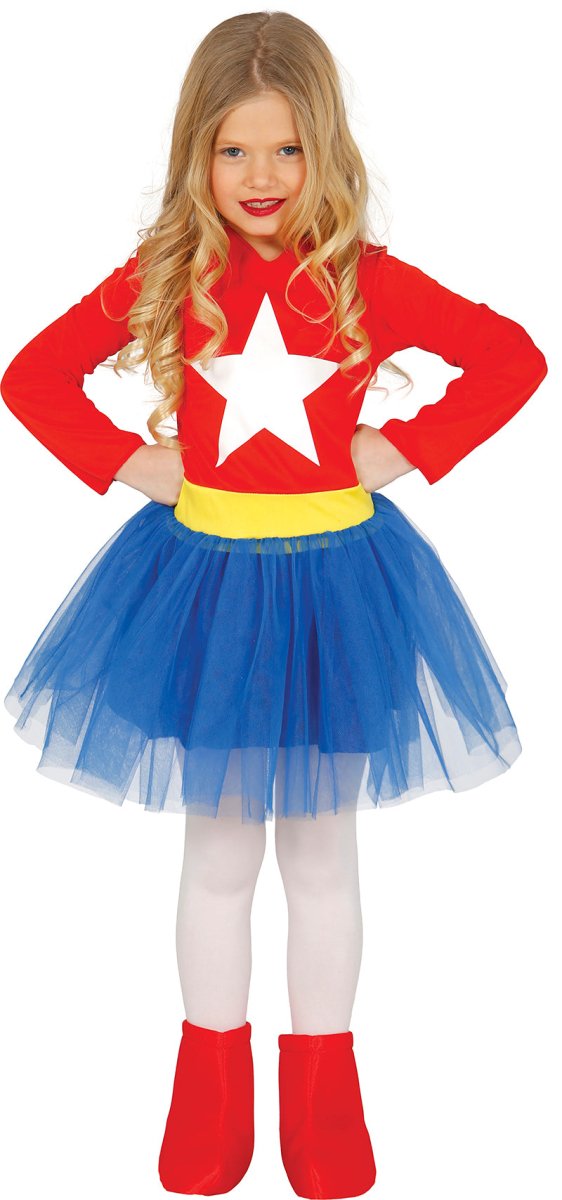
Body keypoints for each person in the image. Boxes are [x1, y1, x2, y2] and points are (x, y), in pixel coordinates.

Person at [0, 11, 548, 1199]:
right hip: (200, 588)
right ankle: (207, 1087)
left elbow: (513, 359)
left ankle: (323, 1092)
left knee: (321, 850)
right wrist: (135, 466)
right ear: (195, 153)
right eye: (234, 150)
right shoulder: (168, 276)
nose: (261, 177)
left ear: (325, 150)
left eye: (288, 150)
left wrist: (397, 451)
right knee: (216, 850)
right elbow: (31, 378)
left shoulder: (363, 280)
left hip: (339, 592)